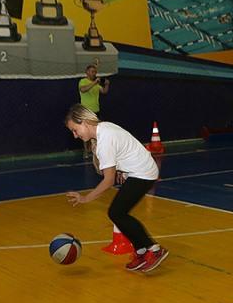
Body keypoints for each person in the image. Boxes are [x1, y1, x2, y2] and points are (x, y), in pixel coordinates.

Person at [64, 104, 168, 273]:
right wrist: (122, 169)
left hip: (143, 173)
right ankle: (142, 251)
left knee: (117, 213)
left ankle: (154, 249)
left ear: (84, 122)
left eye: (75, 130)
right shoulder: (104, 129)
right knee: (119, 213)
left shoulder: (104, 139)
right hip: (139, 170)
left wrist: (85, 198)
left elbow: (108, 181)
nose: (75, 135)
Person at [78, 64, 110, 159]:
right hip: (86, 111)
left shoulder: (96, 84)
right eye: (92, 71)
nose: (94, 73)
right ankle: (86, 151)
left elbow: (104, 91)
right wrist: (94, 83)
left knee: (96, 132)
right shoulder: (83, 81)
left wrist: (107, 85)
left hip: (96, 110)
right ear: (87, 72)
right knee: (85, 131)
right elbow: (83, 90)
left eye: (95, 72)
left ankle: (95, 151)